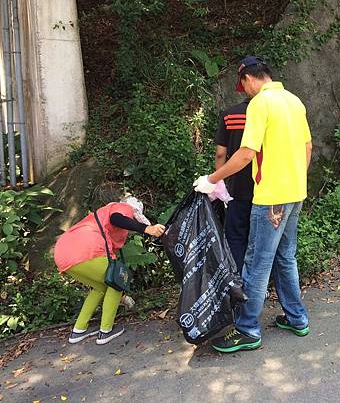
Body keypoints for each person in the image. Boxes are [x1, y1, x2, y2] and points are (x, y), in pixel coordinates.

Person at [193, 56, 312, 353]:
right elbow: (308, 147)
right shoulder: (295, 101)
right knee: (286, 257)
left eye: (243, 85)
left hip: (270, 198)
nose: (244, 91)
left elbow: (246, 154)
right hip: (295, 194)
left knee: (256, 264)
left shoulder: (260, 104)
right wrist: (295, 179)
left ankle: (247, 329)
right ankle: (297, 318)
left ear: (249, 79)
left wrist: (212, 178)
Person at [54, 197, 165, 345]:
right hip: (86, 249)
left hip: (63, 253)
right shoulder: (122, 207)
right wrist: (146, 228)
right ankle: (106, 331)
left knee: (100, 288)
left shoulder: (100, 215)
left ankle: (79, 330)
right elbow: (117, 218)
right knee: (116, 283)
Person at [214, 94, 254, 273]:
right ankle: (259, 286)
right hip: (263, 187)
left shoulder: (229, 115)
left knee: (235, 237)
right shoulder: (267, 114)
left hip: (236, 187)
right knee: (259, 239)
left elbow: (221, 153)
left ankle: (236, 282)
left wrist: (219, 181)